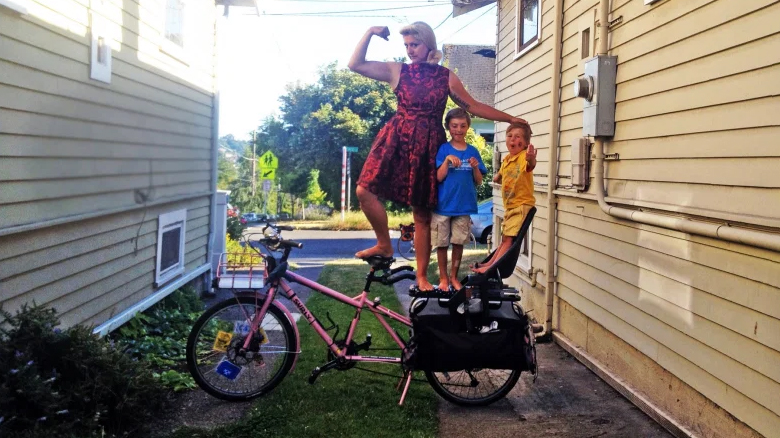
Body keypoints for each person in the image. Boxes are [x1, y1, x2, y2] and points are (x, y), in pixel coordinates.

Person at [348, 22, 530, 291]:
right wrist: (370, 32)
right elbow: (355, 64)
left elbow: (474, 105)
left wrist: (508, 118)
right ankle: (384, 244)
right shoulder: (397, 70)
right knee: (364, 190)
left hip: (428, 145)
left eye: (415, 45)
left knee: (421, 215)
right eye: (407, 45)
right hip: (397, 139)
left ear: (428, 45)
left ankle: (422, 277)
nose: (410, 50)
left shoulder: (445, 77)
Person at [431, 108, 486, 292]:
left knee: (458, 243)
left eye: (463, 126)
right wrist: (446, 161)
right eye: (454, 126)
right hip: (443, 207)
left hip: (464, 207)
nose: (458, 129)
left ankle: (454, 277)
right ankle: (443, 278)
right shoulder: (444, 149)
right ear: (448, 127)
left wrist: (476, 167)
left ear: (468, 127)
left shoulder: (473, 151)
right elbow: (438, 178)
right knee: (441, 244)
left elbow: (478, 181)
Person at [472, 123, 537, 274]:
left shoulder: (523, 157)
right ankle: (490, 263)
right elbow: (500, 175)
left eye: (518, 136)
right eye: (510, 136)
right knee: (504, 240)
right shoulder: (507, 159)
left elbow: (530, 165)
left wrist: (531, 159)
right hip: (511, 206)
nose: (513, 139)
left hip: (521, 205)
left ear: (525, 143)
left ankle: (490, 268)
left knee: (508, 241)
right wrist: (497, 177)